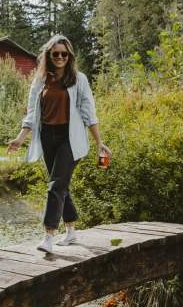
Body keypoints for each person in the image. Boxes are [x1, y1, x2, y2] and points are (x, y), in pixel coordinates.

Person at [7, 34, 111, 254]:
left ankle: (48, 236)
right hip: (48, 137)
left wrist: (100, 142)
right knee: (60, 185)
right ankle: (72, 230)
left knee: (55, 185)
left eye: (65, 54)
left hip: (70, 139)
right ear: (49, 55)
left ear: (70, 56)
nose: (60, 57)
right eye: (56, 54)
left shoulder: (79, 79)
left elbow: (88, 111)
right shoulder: (40, 80)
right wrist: (20, 138)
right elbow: (33, 114)